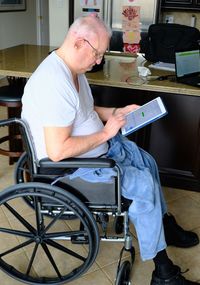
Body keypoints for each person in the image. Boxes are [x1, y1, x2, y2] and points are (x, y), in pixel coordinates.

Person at [21, 14, 199, 285]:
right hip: (73, 169)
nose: (98, 61)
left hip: (98, 151)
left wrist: (118, 112)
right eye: (98, 53)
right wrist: (106, 132)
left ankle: (164, 223)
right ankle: (163, 273)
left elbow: (84, 111)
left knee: (146, 160)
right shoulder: (53, 83)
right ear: (80, 42)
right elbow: (58, 152)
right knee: (143, 186)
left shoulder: (72, 70)